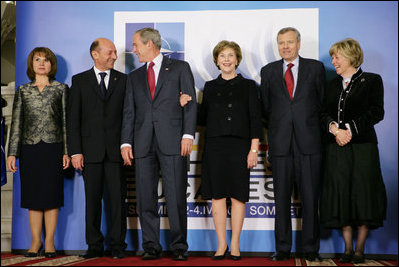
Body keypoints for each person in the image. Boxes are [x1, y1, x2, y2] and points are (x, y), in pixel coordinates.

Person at [180, 40, 262, 260]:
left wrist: (253, 149)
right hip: (214, 147)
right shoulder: (210, 87)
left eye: (231, 55)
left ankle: (235, 244)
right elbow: (203, 118)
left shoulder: (249, 87)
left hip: (240, 146)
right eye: (222, 56)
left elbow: (255, 119)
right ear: (217, 60)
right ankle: (221, 245)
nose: (226, 59)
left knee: (238, 197)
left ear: (237, 59)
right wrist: (187, 104)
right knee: (217, 197)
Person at [120, 27, 197, 261]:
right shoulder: (134, 77)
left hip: (174, 141)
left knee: (175, 197)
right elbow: (129, 112)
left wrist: (187, 136)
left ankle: (179, 247)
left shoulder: (180, 68)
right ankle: (151, 246)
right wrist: (125, 142)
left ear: (149, 44)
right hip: (142, 144)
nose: (133, 50)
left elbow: (190, 103)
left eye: (136, 45)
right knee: (145, 198)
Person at [259, 27, 325, 261]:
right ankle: (283, 248)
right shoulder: (267, 72)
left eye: (289, 42)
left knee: (310, 200)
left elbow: (322, 104)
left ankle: (310, 249)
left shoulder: (316, 68)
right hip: (280, 146)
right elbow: (265, 109)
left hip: (310, 145)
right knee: (281, 200)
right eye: (281, 43)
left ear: (299, 43)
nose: (285, 46)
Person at [320, 38, 387, 264]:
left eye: (337, 57)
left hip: (363, 147)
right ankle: (347, 249)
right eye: (333, 57)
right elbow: (322, 113)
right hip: (336, 147)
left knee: (363, 193)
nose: (333, 61)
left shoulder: (372, 81)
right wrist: (334, 129)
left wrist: (348, 129)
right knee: (341, 194)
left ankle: (359, 250)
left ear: (350, 57)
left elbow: (377, 112)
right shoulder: (331, 85)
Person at [6, 47, 70, 258]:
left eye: (46, 60)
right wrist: (12, 153)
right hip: (29, 149)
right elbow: (16, 124)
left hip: (53, 148)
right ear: (31, 65)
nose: (41, 63)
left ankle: (49, 242)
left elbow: (65, 123)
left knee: (52, 196)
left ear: (52, 65)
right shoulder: (23, 91)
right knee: (33, 197)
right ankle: (35, 242)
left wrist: (67, 152)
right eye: (37, 60)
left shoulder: (61, 89)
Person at [67, 38, 127, 259]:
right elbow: (73, 120)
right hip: (89, 152)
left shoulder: (124, 80)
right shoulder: (80, 80)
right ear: (95, 54)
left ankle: (118, 245)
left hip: (116, 152)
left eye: (114, 52)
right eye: (110, 52)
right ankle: (94, 245)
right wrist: (75, 151)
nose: (114, 56)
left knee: (118, 201)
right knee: (92, 201)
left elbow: (129, 117)